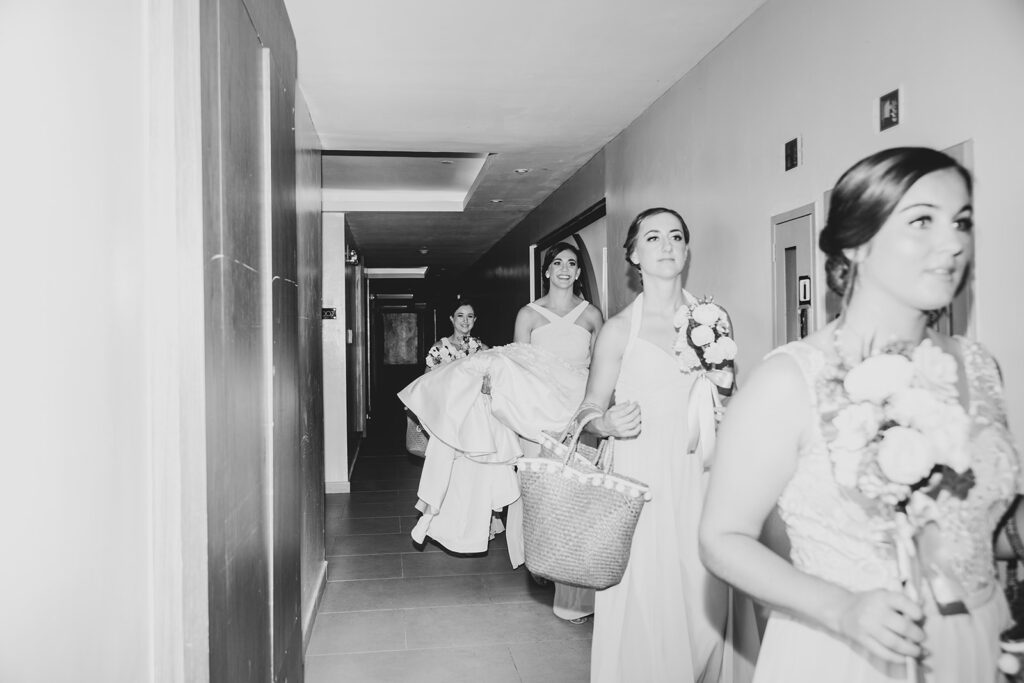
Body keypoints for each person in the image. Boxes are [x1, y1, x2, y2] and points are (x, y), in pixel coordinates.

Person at [699, 147, 1020, 682]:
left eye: (961, 222)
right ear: (858, 242)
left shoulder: (979, 366)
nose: (953, 244)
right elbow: (722, 537)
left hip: (976, 643)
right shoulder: (788, 380)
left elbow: (983, 527)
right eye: (923, 221)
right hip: (842, 652)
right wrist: (840, 608)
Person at [580, 208, 755, 682]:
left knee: (706, 588)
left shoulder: (714, 321)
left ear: (686, 250)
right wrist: (608, 424)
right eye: (653, 237)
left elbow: (729, 397)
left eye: (676, 236)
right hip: (645, 480)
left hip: (701, 474)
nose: (666, 245)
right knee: (652, 592)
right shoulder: (618, 329)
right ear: (634, 255)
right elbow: (586, 413)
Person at [513, 242, 603, 625]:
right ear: (546, 270)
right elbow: (516, 369)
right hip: (538, 417)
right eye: (557, 263)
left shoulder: (593, 316)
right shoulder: (529, 315)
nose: (564, 269)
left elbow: (603, 369)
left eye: (572, 263)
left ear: (579, 272)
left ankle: (572, 588)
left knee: (576, 498)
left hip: (578, 416)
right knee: (540, 493)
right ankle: (540, 556)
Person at [425, 299, 488, 372]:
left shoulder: (483, 350)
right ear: (452, 319)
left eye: (470, 316)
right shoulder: (439, 348)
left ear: (474, 319)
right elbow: (426, 381)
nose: (465, 320)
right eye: (460, 315)